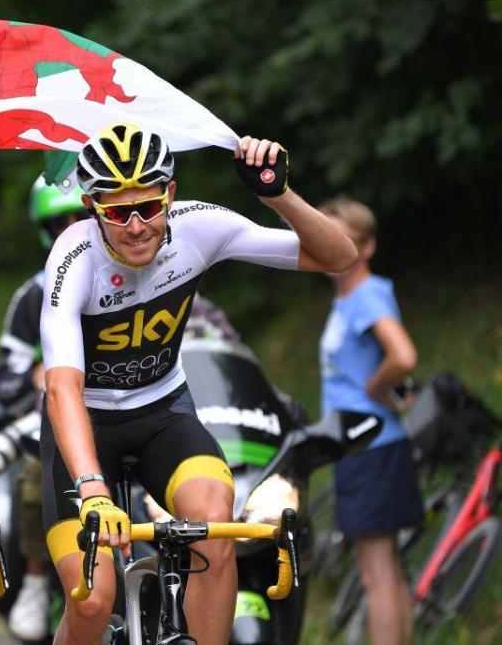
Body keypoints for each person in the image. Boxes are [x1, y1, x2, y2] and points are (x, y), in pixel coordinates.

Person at [40, 123, 357, 645]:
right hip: (87, 424)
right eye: (118, 212)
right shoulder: (74, 259)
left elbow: (339, 257)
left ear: (171, 193)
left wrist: (277, 196)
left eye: (149, 205)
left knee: (215, 525)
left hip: (163, 413)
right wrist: (92, 489)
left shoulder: (200, 227)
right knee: (92, 602)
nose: (138, 226)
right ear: (94, 207)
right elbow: (62, 389)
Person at [318, 197, 423, 645]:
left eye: (343, 237)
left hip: (370, 448)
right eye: (324, 234)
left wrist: (377, 387)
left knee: (376, 573)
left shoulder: (366, 294)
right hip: (369, 447)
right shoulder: (348, 299)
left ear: (367, 246)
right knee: (388, 571)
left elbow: (403, 356)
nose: (330, 245)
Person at [0, 176, 89, 641]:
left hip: (127, 406)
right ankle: (34, 577)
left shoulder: (141, 273)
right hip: (52, 416)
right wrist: (38, 372)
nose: (72, 230)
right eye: (61, 223)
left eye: (82, 219)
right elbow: (5, 379)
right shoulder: (34, 294)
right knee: (38, 468)